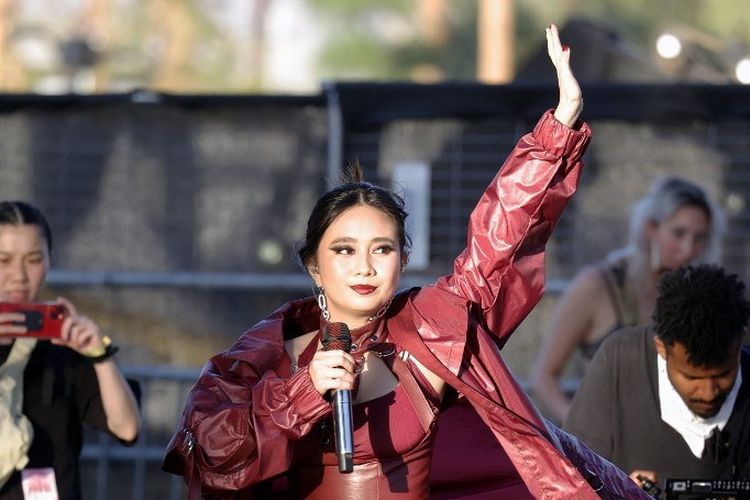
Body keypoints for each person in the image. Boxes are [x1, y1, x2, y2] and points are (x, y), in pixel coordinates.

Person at [163, 25, 647, 499]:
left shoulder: (432, 334)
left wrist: (559, 129)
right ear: (313, 265)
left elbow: (498, 243)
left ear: (404, 258)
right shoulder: (263, 360)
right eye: (345, 250)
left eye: (383, 249)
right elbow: (218, 455)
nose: (364, 267)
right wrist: (302, 394)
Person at [530, 176, 723, 423]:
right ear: (651, 228)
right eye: (678, 233)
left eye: (699, 238)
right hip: (601, 447)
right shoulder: (596, 286)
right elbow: (543, 377)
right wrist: (581, 434)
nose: (688, 249)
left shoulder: (696, 294)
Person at [564, 264, 750, 491]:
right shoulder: (621, 362)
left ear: (739, 343)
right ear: (661, 348)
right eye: (691, 378)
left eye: (723, 375)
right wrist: (618, 491)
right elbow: (571, 481)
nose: (708, 392)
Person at [0, 201, 140, 500]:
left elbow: (127, 427)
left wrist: (99, 355)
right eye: (4, 260)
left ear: (50, 260)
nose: (19, 275)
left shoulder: (64, 343)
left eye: (34, 259)